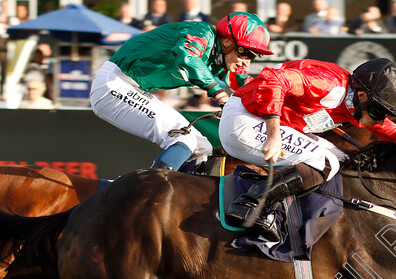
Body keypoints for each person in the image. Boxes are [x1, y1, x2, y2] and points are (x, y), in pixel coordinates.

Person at [218, 58, 396, 241]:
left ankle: (295, 218)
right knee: (326, 162)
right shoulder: (328, 83)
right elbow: (274, 79)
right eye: (381, 112)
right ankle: (250, 204)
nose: (382, 120)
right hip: (244, 120)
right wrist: (273, 132)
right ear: (362, 96)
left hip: (257, 120)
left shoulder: (354, 103)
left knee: (342, 161)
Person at [90, 12, 272, 171]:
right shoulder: (202, 33)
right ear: (227, 42)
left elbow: (247, 86)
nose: (247, 62)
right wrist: (219, 94)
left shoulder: (223, 57)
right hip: (113, 84)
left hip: (134, 88)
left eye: (253, 57)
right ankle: (150, 191)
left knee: (203, 148)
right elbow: (187, 56)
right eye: (246, 53)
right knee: (184, 140)